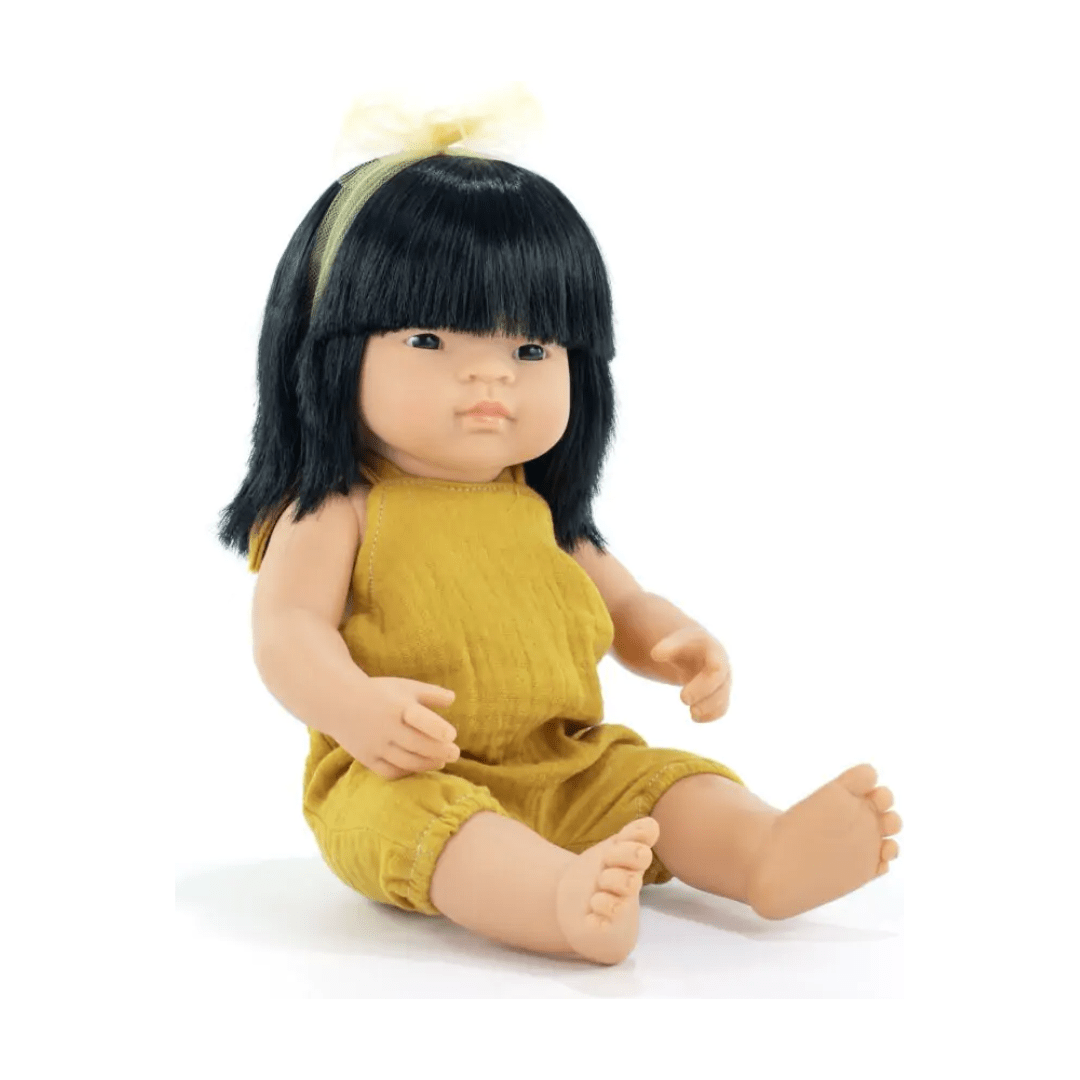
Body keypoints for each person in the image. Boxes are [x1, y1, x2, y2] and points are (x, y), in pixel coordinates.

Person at [217, 88, 901, 966]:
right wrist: (353, 707)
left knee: (658, 782)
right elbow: (287, 631)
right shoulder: (340, 508)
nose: (491, 378)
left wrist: (673, 642)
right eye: (429, 340)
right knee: (430, 826)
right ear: (329, 349)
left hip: (567, 762)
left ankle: (764, 852)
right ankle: (555, 901)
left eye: (531, 350)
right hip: (401, 770)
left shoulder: (541, 511)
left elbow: (625, 604)